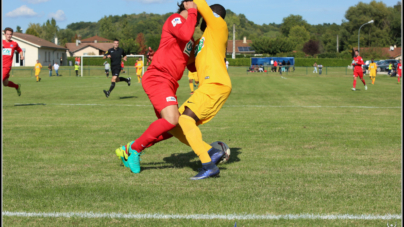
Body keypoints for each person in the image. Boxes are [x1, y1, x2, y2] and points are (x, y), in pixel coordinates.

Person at [114, 0, 199, 175]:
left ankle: (128, 148)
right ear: (186, 3)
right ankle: (135, 150)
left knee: (174, 128)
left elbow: (192, 65)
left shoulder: (189, 36)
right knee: (172, 120)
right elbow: (184, 34)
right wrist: (191, 12)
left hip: (169, 83)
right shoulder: (175, 19)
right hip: (158, 77)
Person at [3, 27, 23, 96]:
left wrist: (21, 55)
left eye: (10, 34)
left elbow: (20, 50)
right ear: (5, 34)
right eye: (7, 34)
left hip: (6, 66)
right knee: (5, 83)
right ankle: (17, 86)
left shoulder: (14, 44)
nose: (9, 35)